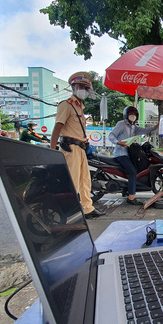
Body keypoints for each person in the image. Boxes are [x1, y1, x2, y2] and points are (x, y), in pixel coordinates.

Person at [50, 71, 104, 219]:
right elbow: (57, 128)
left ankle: (87, 208)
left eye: (86, 88)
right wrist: (52, 150)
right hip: (70, 148)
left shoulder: (80, 106)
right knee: (72, 181)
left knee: (85, 180)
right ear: (73, 87)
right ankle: (68, 210)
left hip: (80, 148)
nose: (84, 91)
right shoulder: (66, 105)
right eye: (81, 87)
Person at [108, 106, 157, 205]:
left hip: (129, 154)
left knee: (134, 170)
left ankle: (125, 190)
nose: (133, 116)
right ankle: (131, 197)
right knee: (133, 172)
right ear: (126, 115)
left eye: (134, 114)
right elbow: (111, 135)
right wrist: (118, 142)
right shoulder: (121, 124)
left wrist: (156, 126)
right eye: (131, 114)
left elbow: (145, 130)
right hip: (121, 154)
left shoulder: (134, 127)